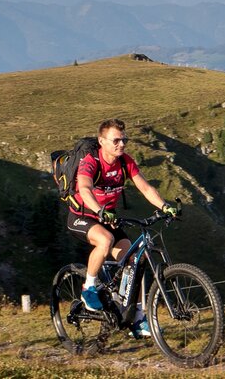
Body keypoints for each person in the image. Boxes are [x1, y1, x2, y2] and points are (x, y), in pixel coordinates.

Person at [67, 118, 178, 337]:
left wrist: (165, 206)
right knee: (105, 240)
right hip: (82, 216)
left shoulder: (125, 162)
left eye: (124, 139)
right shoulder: (91, 162)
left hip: (108, 219)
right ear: (102, 141)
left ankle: (137, 318)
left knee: (133, 261)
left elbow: (146, 188)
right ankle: (88, 287)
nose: (122, 144)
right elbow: (85, 189)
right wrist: (99, 210)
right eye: (116, 140)